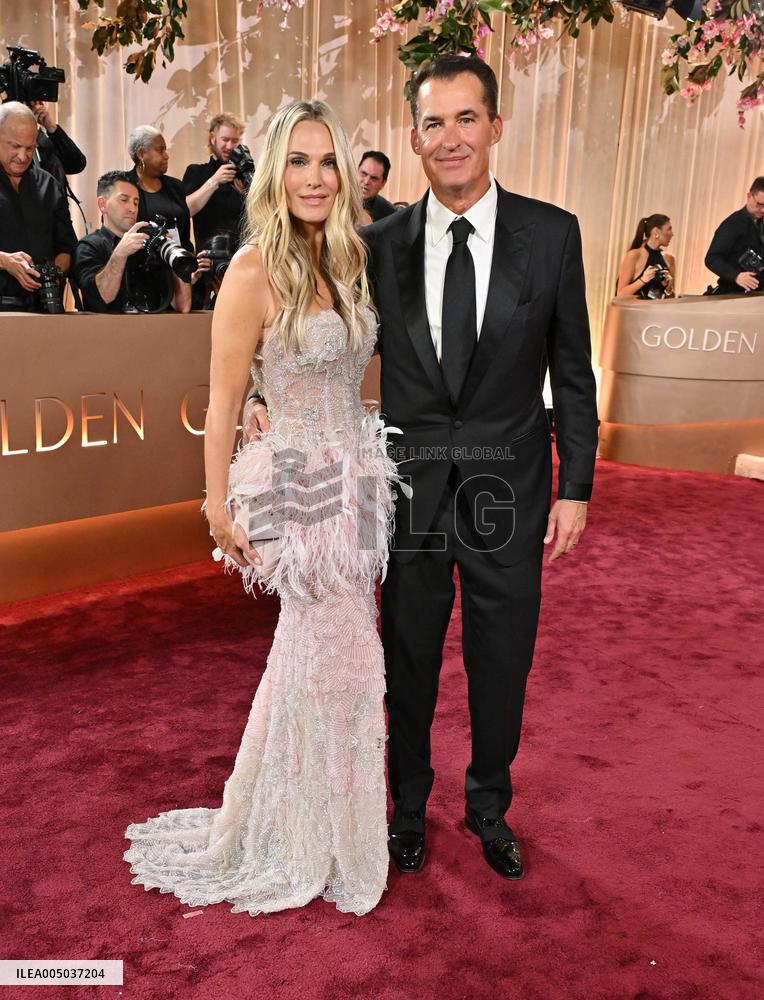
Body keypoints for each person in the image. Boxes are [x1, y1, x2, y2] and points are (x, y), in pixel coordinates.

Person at [248, 55, 598, 881]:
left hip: (509, 489)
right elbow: (292, 312)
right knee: (405, 656)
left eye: (467, 119)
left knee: (501, 655)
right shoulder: (374, 245)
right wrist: (256, 398)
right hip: (403, 494)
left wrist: (576, 483)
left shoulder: (552, 235)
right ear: (413, 137)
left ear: (495, 127)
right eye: (433, 123)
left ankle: (488, 807)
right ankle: (406, 805)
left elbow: (573, 369)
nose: (451, 139)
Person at [124, 100, 401, 916]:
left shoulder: (349, 259)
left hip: (353, 483)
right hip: (297, 495)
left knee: (330, 664)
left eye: (327, 161)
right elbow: (222, 395)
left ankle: (304, 820)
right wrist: (215, 505)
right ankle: (310, 836)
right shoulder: (252, 270)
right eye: (299, 161)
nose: (314, 177)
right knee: (335, 658)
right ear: (275, 171)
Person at [73, 170, 199, 313]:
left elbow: (183, 306)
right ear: (102, 204)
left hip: (154, 331)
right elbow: (102, 298)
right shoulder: (88, 247)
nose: (132, 209)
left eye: (136, 202)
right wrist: (120, 254)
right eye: (124, 200)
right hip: (108, 332)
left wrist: (173, 254)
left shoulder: (149, 246)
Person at [0, 101, 76, 311]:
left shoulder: (49, 184)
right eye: (15, 146)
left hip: (43, 310)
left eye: (29, 148)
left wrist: (53, 273)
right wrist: (5, 261)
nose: (23, 156)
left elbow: (67, 246)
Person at [183, 112, 248, 251]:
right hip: (207, 260)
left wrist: (247, 194)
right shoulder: (196, 172)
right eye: (225, 139)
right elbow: (185, 211)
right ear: (213, 138)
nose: (230, 146)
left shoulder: (244, 177)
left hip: (241, 258)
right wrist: (214, 181)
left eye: (235, 141)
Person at [125, 125, 193, 251]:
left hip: (176, 263)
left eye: (165, 150)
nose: (167, 156)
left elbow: (185, 236)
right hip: (139, 265)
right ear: (141, 154)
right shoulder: (124, 187)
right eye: (160, 150)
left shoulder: (176, 186)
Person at [705, 177, 764, 294]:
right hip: (732, 294)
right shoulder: (733, 224)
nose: (763, 210)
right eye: (759, 204)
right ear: (749, 196)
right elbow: (712, 259)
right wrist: (736, 276)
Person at [29, 100, 86, 187]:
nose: (38, 106)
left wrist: (52, 128)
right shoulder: (7, 138)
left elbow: (77, 164)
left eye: (41, 102)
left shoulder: (44, 140)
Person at [616, 214, 675, 298]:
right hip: (635, 310)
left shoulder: (669, 259)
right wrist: (643, 280)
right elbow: (620, 294)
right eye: (669, 229)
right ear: (656, 232)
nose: (672, 234)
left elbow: (669, 297)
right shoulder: (634, 255)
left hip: (657, 310)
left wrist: (668, 288)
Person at [358, 150, 396, 221]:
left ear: (383, 183)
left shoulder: (390, 215)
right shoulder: (336, 198)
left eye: (374, 178)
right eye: (364, 174)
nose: (366, 182)